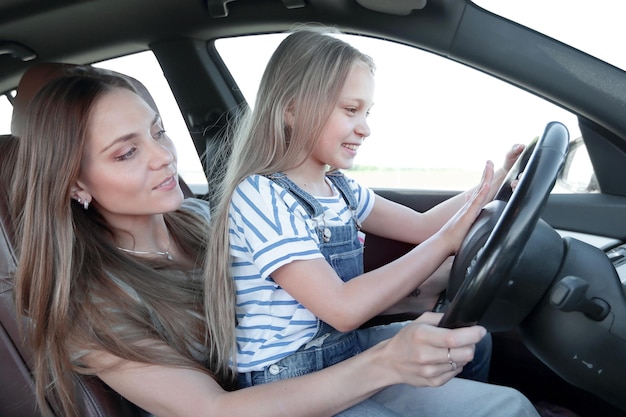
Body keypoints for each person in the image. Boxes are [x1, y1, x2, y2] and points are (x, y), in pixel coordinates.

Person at [9, 65, 538, 417]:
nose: (163, 155)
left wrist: (423, 286)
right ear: (74, 182)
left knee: (484, 367)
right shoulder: (88, 308)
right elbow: (215, 411)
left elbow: (290, 304)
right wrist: (385, 362)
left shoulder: (202, 221)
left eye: (158, 130)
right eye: (127, 152)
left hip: (313, 375)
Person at [207, 27, 536, 416]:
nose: (365, 127)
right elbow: (341, 309)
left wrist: (495, 182)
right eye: (350, 110)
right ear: (292, 108)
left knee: (493, 381)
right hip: (289, 380)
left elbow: (421, 228)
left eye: (367, 112)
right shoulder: (260, 195)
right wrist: (448, 241)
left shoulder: (340, 188)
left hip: (344, 353)